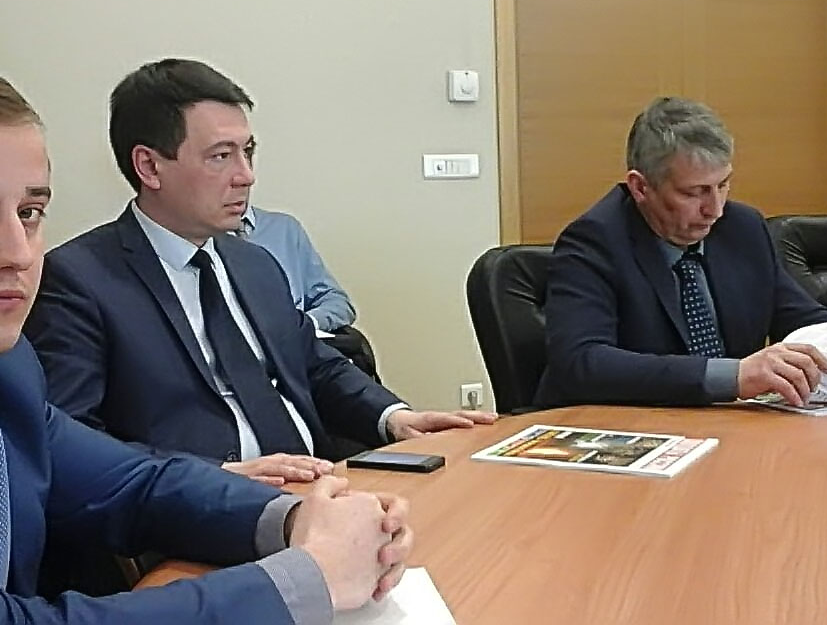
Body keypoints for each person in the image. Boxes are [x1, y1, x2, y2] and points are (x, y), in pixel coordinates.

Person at [0, 54, 411, 624]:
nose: (17, 255)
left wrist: (295, 518)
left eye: (29, 212)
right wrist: (309, 578)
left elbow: (132, 484)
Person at [25, 58, 494, 486]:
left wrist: (393, 417)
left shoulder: (254, 262)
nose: (246, 175)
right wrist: (216, 477)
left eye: (248, 151)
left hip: (319, 486)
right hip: (194, 510)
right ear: (149, 166)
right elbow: (72, 439)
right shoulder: (78, 280)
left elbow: (314, 364)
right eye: (221, 156)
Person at [533, 96, 827, 409]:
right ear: (640, 187)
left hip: (728, 434)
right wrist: (734, 376)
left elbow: (808, 323)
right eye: (694, 192)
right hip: (623, 436)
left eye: (723, 185)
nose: (714, 208)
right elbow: (582, 363)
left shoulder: (741, 228)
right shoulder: (595, 241)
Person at [240, 200, 380, 381]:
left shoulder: (284, 229)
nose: (243, 185)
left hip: (301, 366)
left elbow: (337, 302)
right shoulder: (206, 242)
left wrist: (304, 325)